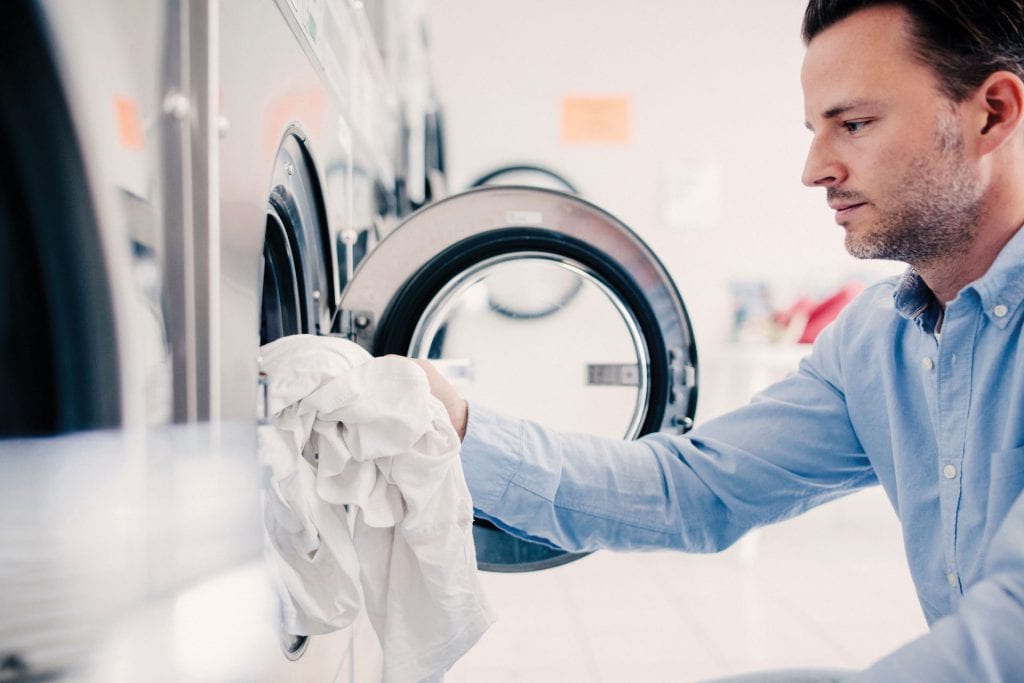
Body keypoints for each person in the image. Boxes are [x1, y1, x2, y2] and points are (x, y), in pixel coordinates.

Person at [416, 0, 1024, 679]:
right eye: (815, 129)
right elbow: (697, 488)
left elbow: (1005, 638)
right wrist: (455, 428)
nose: (814, 169)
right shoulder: (875, 344)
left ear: (993, 111)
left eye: (853, 124)